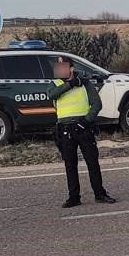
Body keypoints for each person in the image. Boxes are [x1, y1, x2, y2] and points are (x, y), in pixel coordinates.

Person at [49, 56, 117, 208]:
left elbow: (96, 104)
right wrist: (71, 84)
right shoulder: (55, 84)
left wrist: (85, 122)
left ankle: (100, 194)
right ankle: (74, 197)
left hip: (84, 127)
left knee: (92, 162)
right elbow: (52, 95)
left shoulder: (85, 84)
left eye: (63, 66)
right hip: (65, 129)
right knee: (70, 165)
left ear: (71, 68)